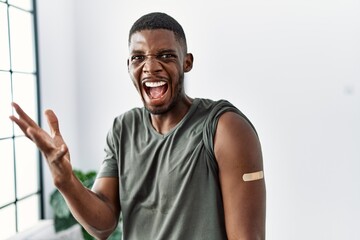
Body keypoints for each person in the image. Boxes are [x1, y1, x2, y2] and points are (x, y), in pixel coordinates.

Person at [10, 12, 266, 240]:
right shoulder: (123, 128)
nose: (151, 67)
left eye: (165, 56)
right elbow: (103, 225)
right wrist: (65, 180)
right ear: (129, 66)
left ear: (186, 62)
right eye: (138, 57)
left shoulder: (226, 127)